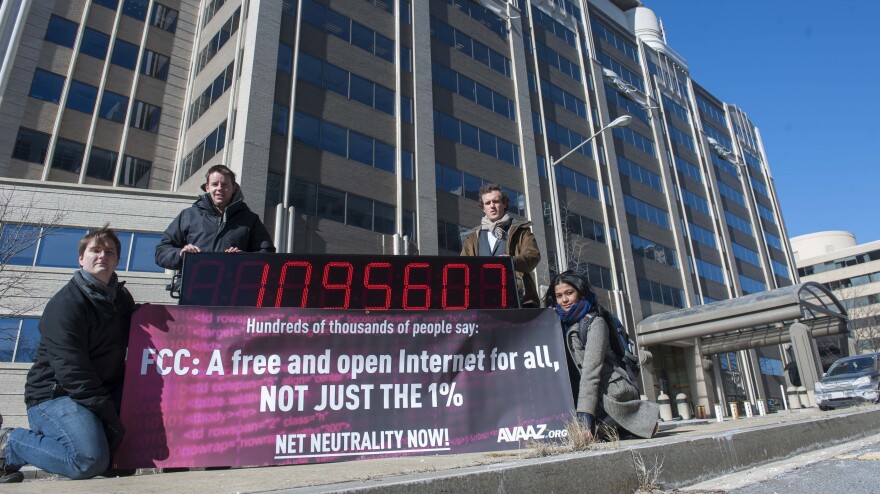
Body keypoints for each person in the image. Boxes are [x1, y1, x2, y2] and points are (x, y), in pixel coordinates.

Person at [1, 226, 137, 482]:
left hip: (100, 391)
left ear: (117, 260)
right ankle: (11, 443)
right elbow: (71, 369)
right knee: (88, 460)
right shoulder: (67, 304)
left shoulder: (120, 299)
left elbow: (140, 330)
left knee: (123, 460)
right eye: (95, 250)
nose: (102, 256)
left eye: (109, 252)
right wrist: (107, 414)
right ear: (81, 258)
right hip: (56, 395)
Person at [545, 270, 659, 439]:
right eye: (559, 295)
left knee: (590, 434)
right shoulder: (560, 322)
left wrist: (585, 417)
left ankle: (639, 418)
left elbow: (591, 371)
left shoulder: (595, 322)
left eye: (570, 293)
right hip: (584, 396)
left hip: (609, 394)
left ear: (581, 292)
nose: (565, 300)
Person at [155, 164, 275, 271]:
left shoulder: (250, 220)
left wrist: (244, 259)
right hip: (193, 291)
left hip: (233, 291)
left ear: (233, 188)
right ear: (207, 188)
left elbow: (268, 256)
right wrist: (180, 254)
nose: (219, 189)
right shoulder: (188, 216)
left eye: (224, 185)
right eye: (214, 184)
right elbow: (161, 251)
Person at [460, 184, 541, 307]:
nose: (492, 206)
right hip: (483, 302)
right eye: (487, 203)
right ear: (483, 208)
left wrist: (511, 261)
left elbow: (533, 256)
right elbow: (461, 269)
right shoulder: (472, 238)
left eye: (496, 201)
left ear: (504, 204)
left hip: (517, 300)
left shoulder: (521, 230)